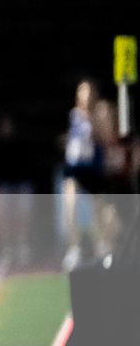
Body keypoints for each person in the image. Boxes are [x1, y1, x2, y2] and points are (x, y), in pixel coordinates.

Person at [61, 78, 117, 269]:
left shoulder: (100, 112)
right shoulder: (74, 114)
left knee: (98, 210)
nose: (86, 95)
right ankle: (74, 248)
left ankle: (102, 246)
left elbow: (107, 137)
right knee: (70, 203)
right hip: (75, 168)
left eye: (89, 91)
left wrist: (95, 123)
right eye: (82, 91)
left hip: (93, 168)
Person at [0, 111, 40, 267]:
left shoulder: (22, 142)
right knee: (5, 217)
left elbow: (31, 162)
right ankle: (7, 249)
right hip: (6, 186)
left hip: (22, 184)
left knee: (23, 216)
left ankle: (22, 246)